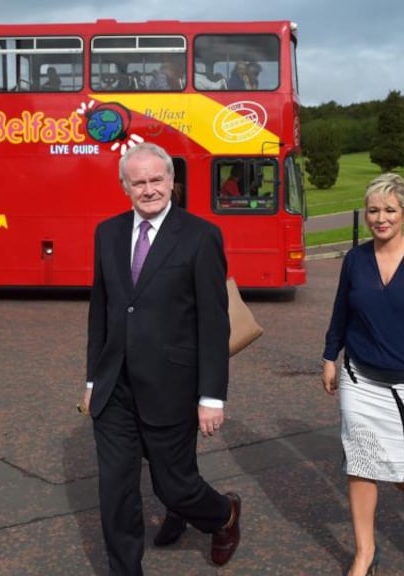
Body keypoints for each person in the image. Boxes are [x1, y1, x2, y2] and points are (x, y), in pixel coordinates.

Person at [81, 142, 242, 575]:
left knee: (175, 486)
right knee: (115, 489)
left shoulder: (200, 236)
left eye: (157, 180)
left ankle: (223, 515)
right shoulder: (107, 233)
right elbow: (103, 310)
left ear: (172, 181)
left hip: (172, 383)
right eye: (139, 182)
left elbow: (214, 322)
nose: (149, 189)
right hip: (115, 386)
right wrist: (93, 378)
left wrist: (212, 395)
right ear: (124, 186)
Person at [322, 173, 404, 576]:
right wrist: (330, 356)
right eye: (374, 210)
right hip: (360, 378)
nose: (381, 218)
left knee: (401, 468)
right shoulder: (355, 259)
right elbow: (341, 311)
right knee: (360, 463)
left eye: (389, 210)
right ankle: (364, 552)